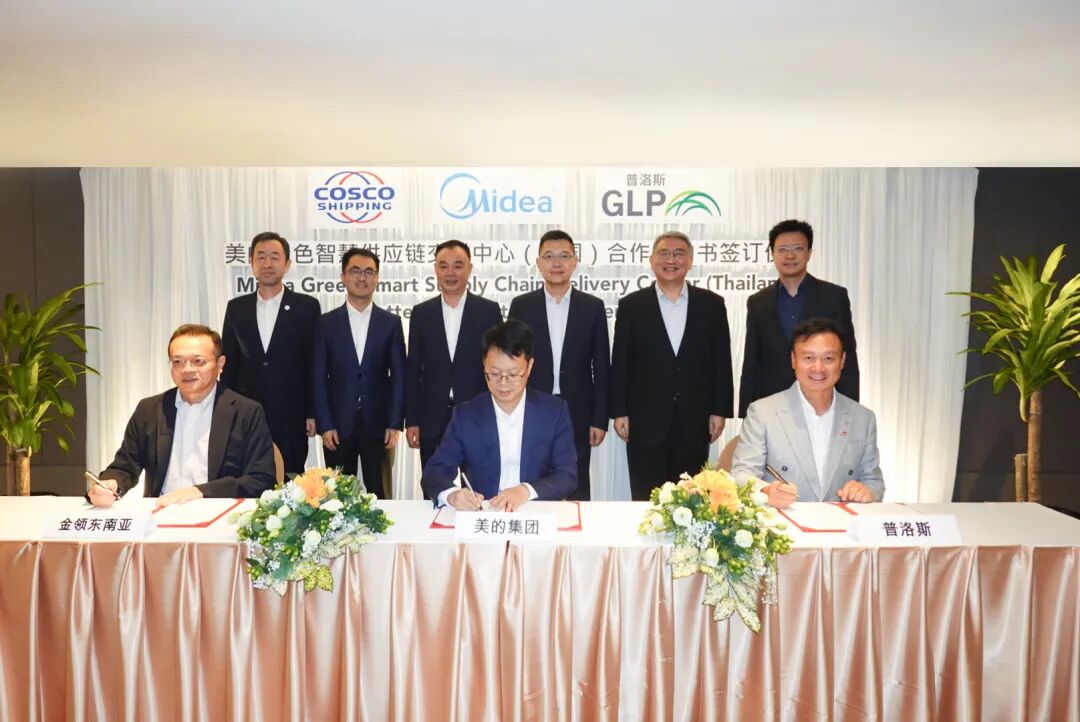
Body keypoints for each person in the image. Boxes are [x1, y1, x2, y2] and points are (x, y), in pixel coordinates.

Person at [88, 324, 275, 507]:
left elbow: (261, 479)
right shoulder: (150, 410)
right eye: (177, 362)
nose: (187, 370)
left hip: (217, 513)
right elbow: (124, 467)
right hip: (160, 512)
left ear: (220, 364)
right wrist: (111, 483)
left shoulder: (246, 412)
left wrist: (200, 491)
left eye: (198, 361)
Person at [610, 231, 734, 501]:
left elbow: (721, 360)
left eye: (679, 254)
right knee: (646, 499)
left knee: (692, 499)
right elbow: (620, 362)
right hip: (645, 420)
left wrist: (720, 409)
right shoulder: (632, 305)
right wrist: (619, 411)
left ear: (690, 260)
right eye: (664, 253)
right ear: (652, 260)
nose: (671, 260)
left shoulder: (712, 305)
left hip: (695, 418)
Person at [421, 319, 577, 510]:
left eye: (513, 374)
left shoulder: (553, 411)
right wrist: (453, 495)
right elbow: (434, 471)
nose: (503, 383)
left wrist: (525, 491)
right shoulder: (466, 415)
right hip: (484, 512)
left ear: (529, 367)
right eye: (494, 374)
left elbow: (567, 475)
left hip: (535, 511)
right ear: (484, 365)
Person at [731, 318, 884, 507]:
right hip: (782, 519)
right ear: (793, 360)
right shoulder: (762, 413)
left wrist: (867, 491)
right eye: (808, 358)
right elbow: (741, 474)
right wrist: (765, 491)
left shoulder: (863, 418)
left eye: (828, 358)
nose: (818, 368)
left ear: (842, 360)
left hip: (840, 522)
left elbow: (874, 481)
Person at [508, 229, 609, 499]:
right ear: (538, 263)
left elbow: (601, 367)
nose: (556, 263)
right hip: (532, 406)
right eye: (549, 256)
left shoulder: (593, 307)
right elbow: (512, 362)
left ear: (575, 261)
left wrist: (599, 419)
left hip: (578, 410)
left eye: (564, 256)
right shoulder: (522, 306)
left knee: (577, 480)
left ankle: (577, 528)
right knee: (532, 479)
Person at [220, 231, 321, 474]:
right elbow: (229, 365)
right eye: (261, 257)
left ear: (287, 264)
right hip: (245, 413)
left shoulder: (306, 307)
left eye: (275, 257)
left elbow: (314, 364)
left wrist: (312, 412)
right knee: (246, 476)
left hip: (292, 413)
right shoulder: (236, 308)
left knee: (291, 478)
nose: (267, 263)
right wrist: (225, 411)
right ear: (251, 262)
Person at [738, 219, 859, 417]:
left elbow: (848, 357)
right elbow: (752, 361)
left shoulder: (834, 297)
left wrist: (850, 410)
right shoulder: (758, 302)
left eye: (797, 248)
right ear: (772, 254)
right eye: (782, 249)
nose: (790, 255)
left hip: (822, 402)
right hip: (771, 405)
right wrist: (747, 414)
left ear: (809, 253)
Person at [312, 248, 405, 498]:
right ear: (343, 276)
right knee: (337, 497)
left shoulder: (391, 323)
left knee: (381, 493)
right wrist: (325, 423)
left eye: (369, 272)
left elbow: (399, 377)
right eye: (355, 271)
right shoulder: (326, 323)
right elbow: (318, 377)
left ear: (377, 278)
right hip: (338, 425)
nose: (362, 278)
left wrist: (394, 422)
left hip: (379, 424)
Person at [405, 239, 503, 471]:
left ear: (470, 269)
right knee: (435, 486)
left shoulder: (489, 311)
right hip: (431, 418)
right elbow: (413, 369)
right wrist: (412, 420)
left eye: (458, 266)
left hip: (478, 415)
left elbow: (499, 366)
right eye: (443, 266)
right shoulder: (421, 313)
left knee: (478, 487)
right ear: (435, 269)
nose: (450, 273)